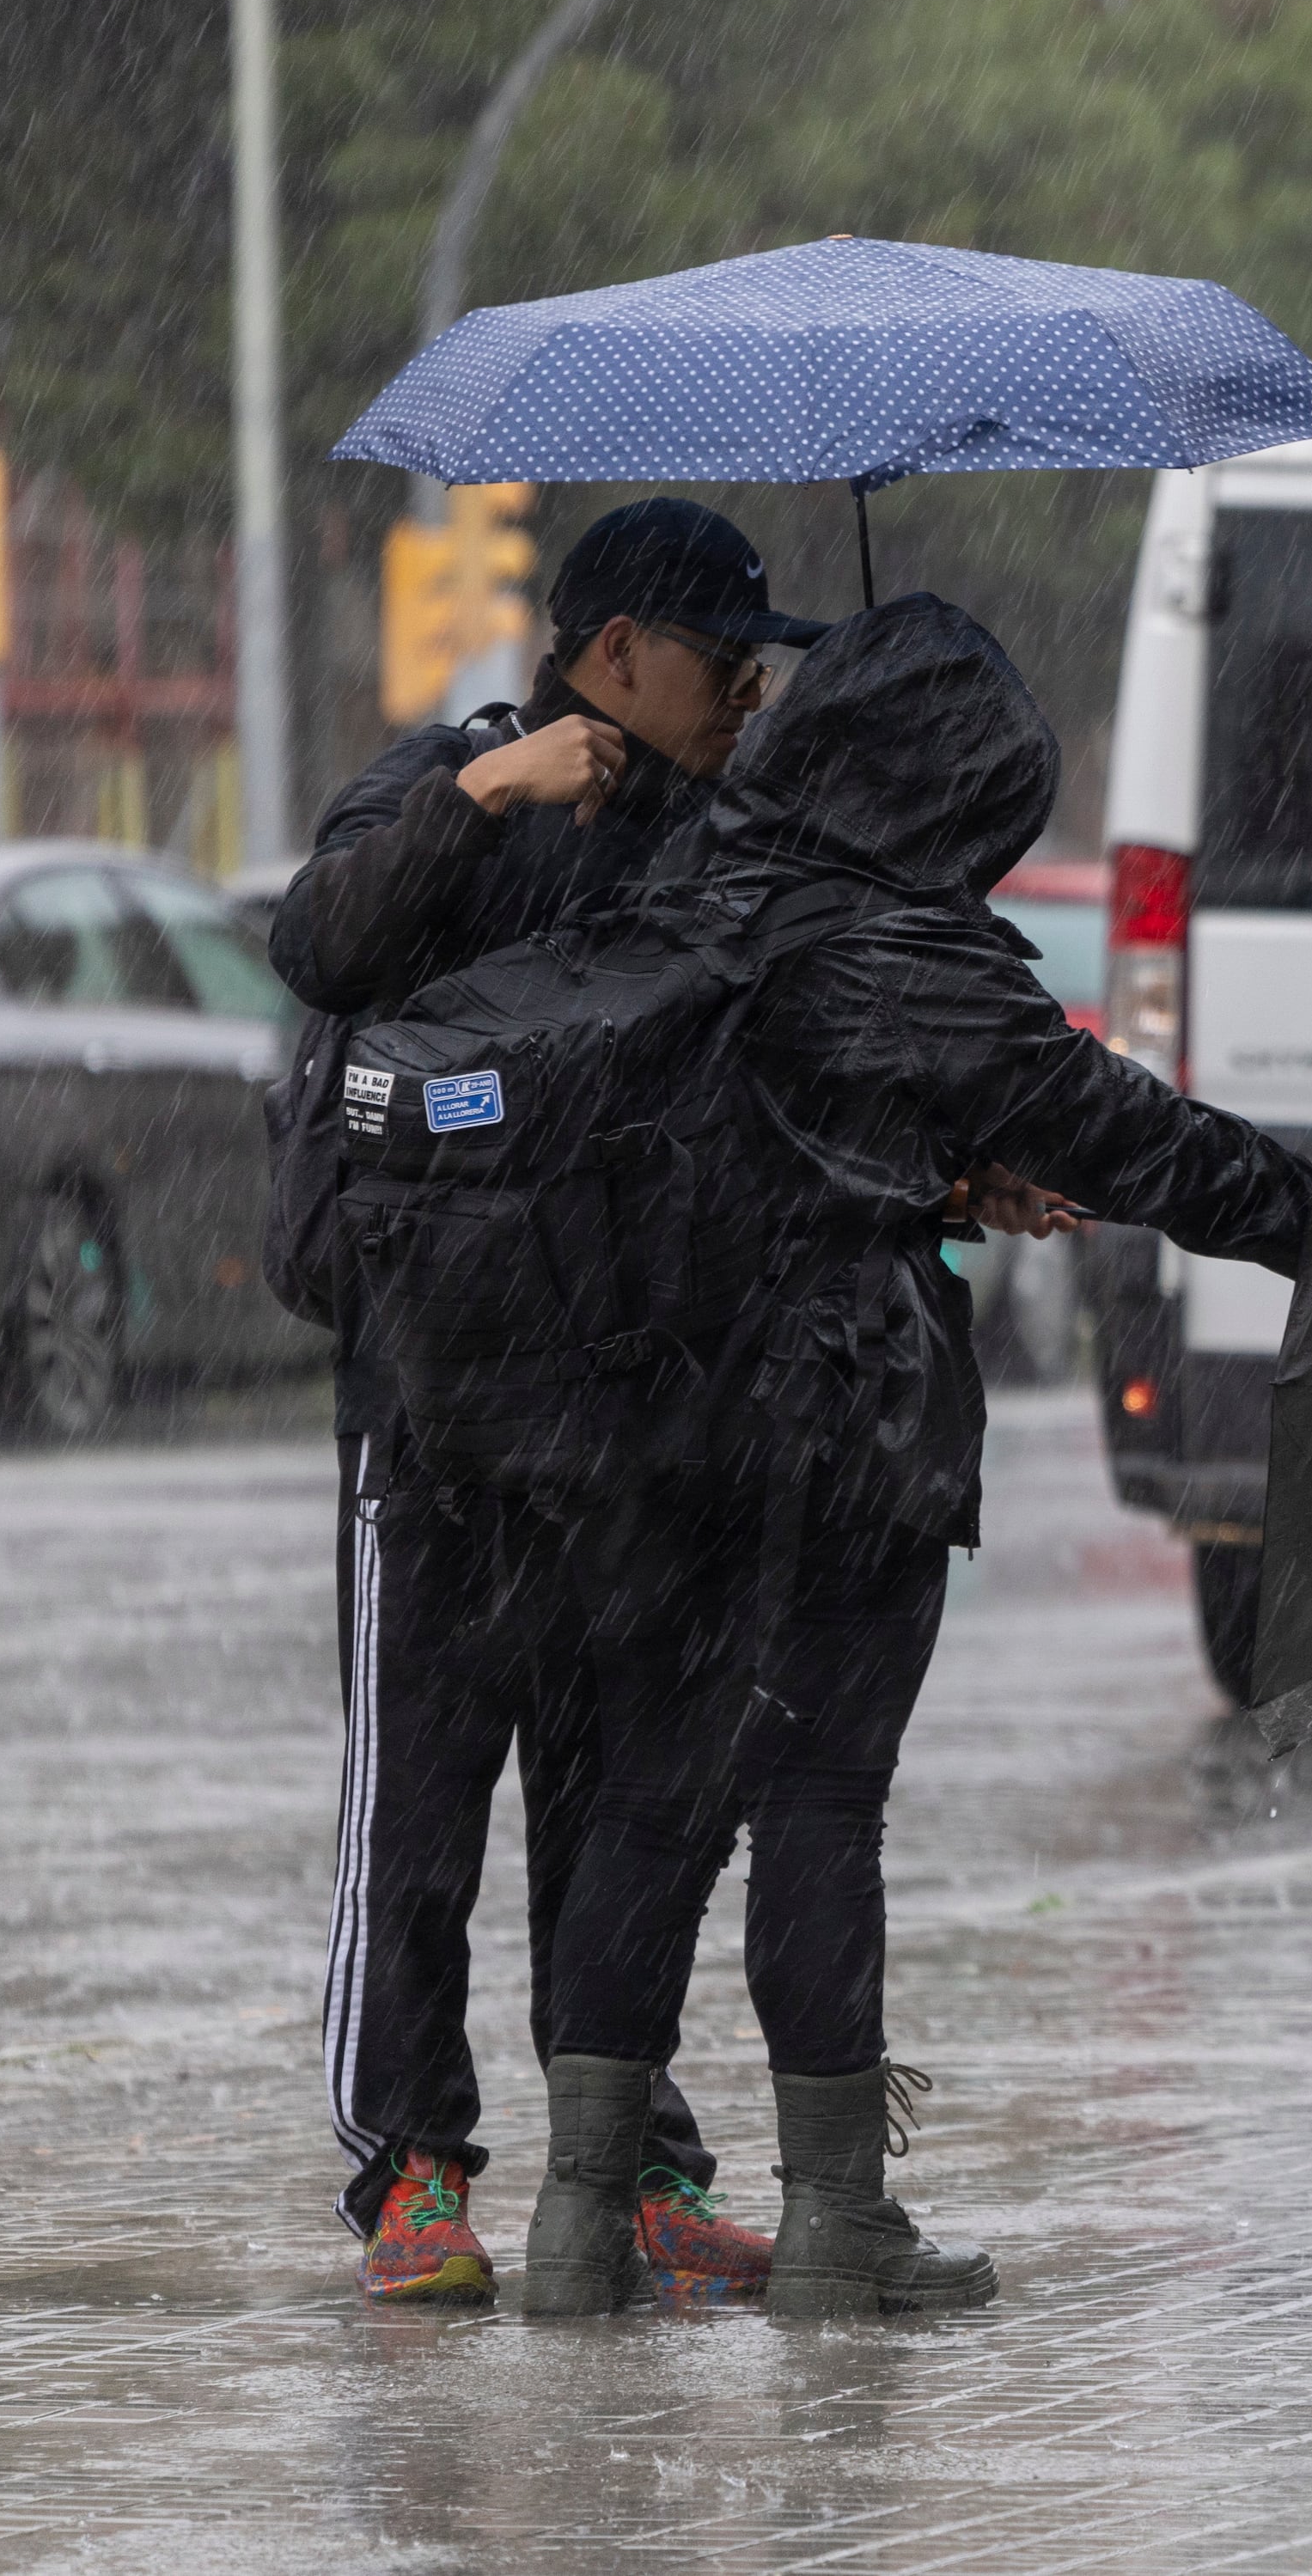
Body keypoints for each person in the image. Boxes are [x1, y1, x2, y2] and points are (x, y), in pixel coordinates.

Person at [522, 593, 1312, 2319]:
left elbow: (752, 1130)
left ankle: (578, 2223)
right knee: (815, 1803)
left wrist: (933, 1175)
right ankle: (834, 2220)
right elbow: (1126, 1133)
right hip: (834, 1421)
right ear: (952, 792)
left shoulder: (679, 886)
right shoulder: (908, 949)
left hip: (646, 1417)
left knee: (652, 1804)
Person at [273, 498, 827, 2304]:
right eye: (720, 660)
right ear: (613, 656)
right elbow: (321, 944)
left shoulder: (720, 844)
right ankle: (409, 2171)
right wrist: (489, 796)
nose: (747, 692)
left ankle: (634, 2156)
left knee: (622, 1817)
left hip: (630, 1414)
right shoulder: (445, 794)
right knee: (416, 1808)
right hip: (428, 1416)